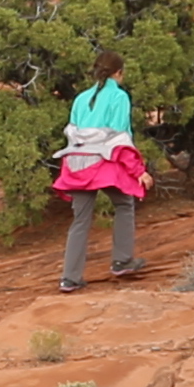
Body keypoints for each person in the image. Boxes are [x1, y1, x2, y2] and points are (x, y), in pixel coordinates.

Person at [53, 63, 150, 287]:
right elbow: (119, 140)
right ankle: (122, 261)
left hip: (77, 163)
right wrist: (139, 171)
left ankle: (69, 279)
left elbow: (72, 133)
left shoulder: (81, 98)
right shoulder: (119, 97)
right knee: (124, 204)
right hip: (103, 162)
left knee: (80, 220)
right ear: (118, 72)